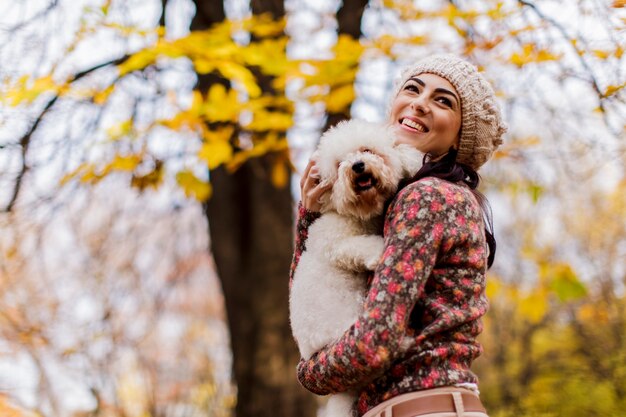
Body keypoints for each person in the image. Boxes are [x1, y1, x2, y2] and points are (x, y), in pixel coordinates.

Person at [289, 54, 507, 417]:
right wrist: (311, 217)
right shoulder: (410, 202)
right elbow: (314, 291)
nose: (420, 103)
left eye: (442, 100)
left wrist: (310, 373)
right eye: (412, 89)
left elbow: (375, 343)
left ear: (459, 137)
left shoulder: (425, 197)